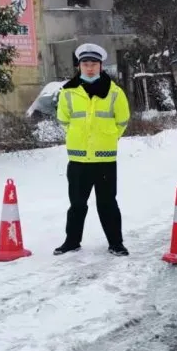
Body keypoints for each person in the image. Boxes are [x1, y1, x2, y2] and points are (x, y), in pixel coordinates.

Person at [55, 43, 131, 256]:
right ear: (79, 66)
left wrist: (107, 138)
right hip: (78, 160)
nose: (89, 68)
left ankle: (116, 243)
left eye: (94, 64)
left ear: (101, 66)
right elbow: (64, 120)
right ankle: (71, 242)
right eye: (85, 64)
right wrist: (78, 138)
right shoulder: (68, 92)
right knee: (77, 205)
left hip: (104, 160)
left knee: (108, 204)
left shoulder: (115, 92)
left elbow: (122, 121)